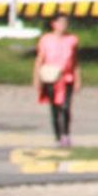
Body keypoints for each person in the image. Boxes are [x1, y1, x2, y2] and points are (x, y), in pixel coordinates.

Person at [34, 13, 81, 145]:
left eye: (65, 23)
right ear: (53, 24)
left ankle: (66, 133)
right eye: (60, 22)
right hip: (51, 77)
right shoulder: (46, 40)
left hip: (67, 77)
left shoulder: (72, 39)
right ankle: (57, 135)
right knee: (55, 108)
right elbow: (40, 60)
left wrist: (78, 79)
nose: (62, 26)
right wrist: (37, 79)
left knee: (66, 107)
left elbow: (75, 61)